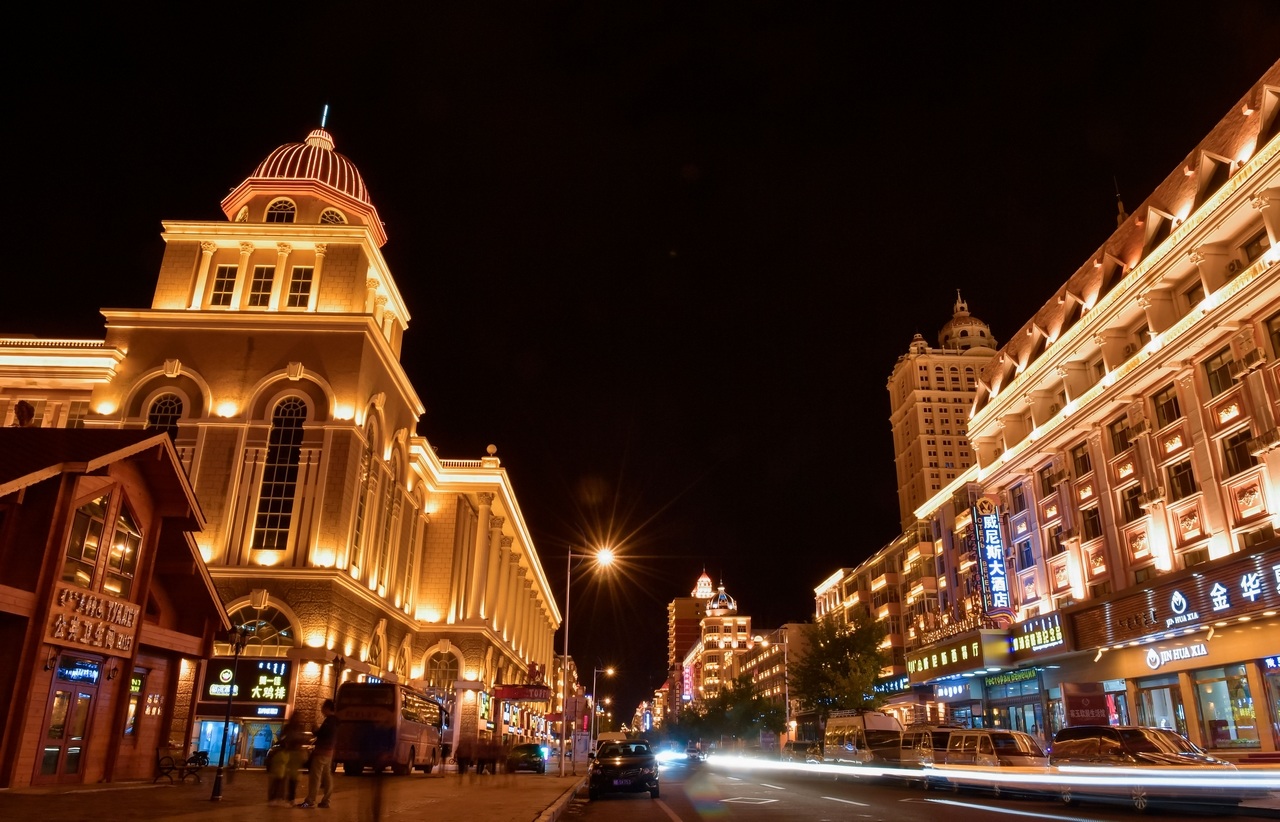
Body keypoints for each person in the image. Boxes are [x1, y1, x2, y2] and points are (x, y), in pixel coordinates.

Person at [298, 699, 338, 809]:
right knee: (327, 776)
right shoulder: (335, 721)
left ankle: (310, 800)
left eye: (322, 707)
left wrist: (315, 729)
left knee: (315, 777)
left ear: (327, 708)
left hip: (321, 752)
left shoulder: (329, 721)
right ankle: (326, 800)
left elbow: (322, 734)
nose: (321, 710)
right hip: (329, 752)